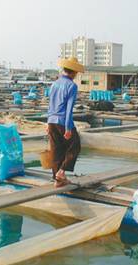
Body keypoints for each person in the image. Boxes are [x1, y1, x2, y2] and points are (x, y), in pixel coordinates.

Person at [47, 57, 84, 187]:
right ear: (74, 72)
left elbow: (50, 104)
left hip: (52, 121)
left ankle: (57, 180)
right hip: (63, 121)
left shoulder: (54, 84)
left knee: (56, 150)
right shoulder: (72, 86)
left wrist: (48, 123)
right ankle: (61, 173)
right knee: (75, 146)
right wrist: (68, 128)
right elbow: (69, 109)